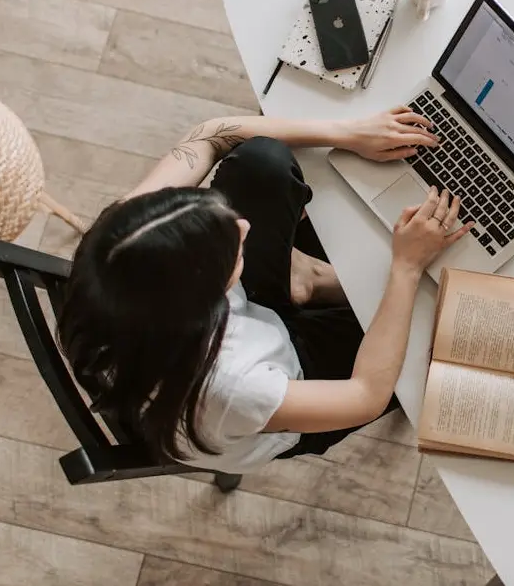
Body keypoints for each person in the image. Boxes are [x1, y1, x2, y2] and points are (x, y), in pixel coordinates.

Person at [57, 107, 473, 474]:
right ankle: (310, 283)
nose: (243, 227)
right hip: (288, 385)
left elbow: (208, 134)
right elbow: (365, 395)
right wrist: (405, 267)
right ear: (207, 299)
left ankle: (303, 281)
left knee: (261, 161)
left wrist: (347, 132)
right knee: (439, 334)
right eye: (231, 250)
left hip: (221, 335)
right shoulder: (234, 387)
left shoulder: (121, 242)